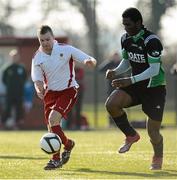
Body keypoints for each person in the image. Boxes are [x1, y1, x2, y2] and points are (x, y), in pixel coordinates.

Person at [105, 8, 166, 170]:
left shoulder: (151, 40)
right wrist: (116, 71)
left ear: (139, 23)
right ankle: (131, 135)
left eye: (129, 24)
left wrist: (129, 79)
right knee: (111, 104)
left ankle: (158, 156)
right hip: (137, 84)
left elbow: (154, 70)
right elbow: (126, 61)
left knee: (153, 133)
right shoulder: (125, 38)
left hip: (155, 88)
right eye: (124, 24)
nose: (126, 28)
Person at [31, 25, 96, 170]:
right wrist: (38, 88)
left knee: (53, 119)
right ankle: (67, 145)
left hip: (68, 90)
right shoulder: (37, 57)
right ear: (39, 41)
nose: (45, 43)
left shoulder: (66, 49)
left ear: (53, 38)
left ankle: (55, 159)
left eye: (47, 39)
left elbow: (87, 58)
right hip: (50, 93)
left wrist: (89, 62)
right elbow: (37, 79)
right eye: (42, 40)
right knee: (51, 127)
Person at [1, 49, 27, 130]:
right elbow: (4, 80)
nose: (15, 58)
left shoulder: (22, 68)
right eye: (13, 56)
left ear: (18, 57)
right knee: (7, 108)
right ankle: (3, 124)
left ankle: (17, 126)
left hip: (19, 93)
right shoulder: (7, 68)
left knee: (19, 109)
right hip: (10, 93)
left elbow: (25, 78)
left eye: (16, 56)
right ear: (11, 57)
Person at [99, 52, 121, 127]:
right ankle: (111, 123)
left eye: (117, 56)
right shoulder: (110, 63)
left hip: (120, 87)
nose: (116, 58)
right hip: (110, 88)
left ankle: (119, 122)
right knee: (110, 105)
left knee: (119, 105)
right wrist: (108, 62)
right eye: (114, 56)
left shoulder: (121, 63)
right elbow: (100, 69)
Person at [67, 65, 85, 130]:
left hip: (79, 91)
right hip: (69, 91)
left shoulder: (80, 69)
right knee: (69, 109)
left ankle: (78, 125)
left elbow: (79, 77)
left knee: (78, 109)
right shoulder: (68, 68)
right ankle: (69, 125)